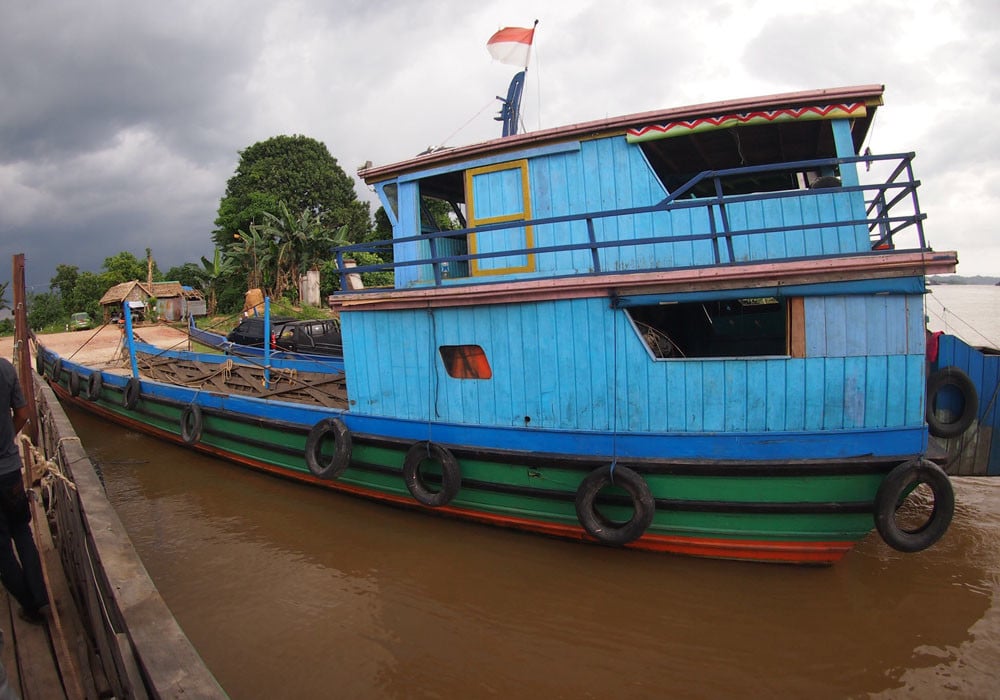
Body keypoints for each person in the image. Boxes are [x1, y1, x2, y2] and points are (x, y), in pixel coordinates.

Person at [0, 358, 47, 625]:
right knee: (22, 532)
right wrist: (8, 438)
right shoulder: (5, 369)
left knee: (2, 550)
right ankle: (40, 595)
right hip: (9, 473)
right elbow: (22, 413)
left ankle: (29, 606)